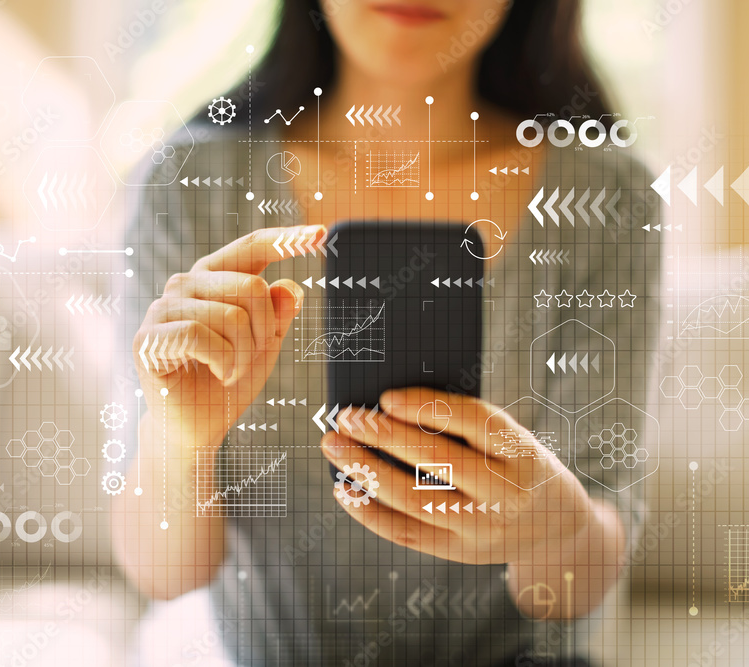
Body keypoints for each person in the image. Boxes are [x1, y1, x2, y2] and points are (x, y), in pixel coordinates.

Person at [112, 0, 662, 664]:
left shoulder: (608, 199)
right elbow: (162, 573)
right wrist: (179, 441)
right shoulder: (190, 186)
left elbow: (573, 586)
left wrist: (557, 529)